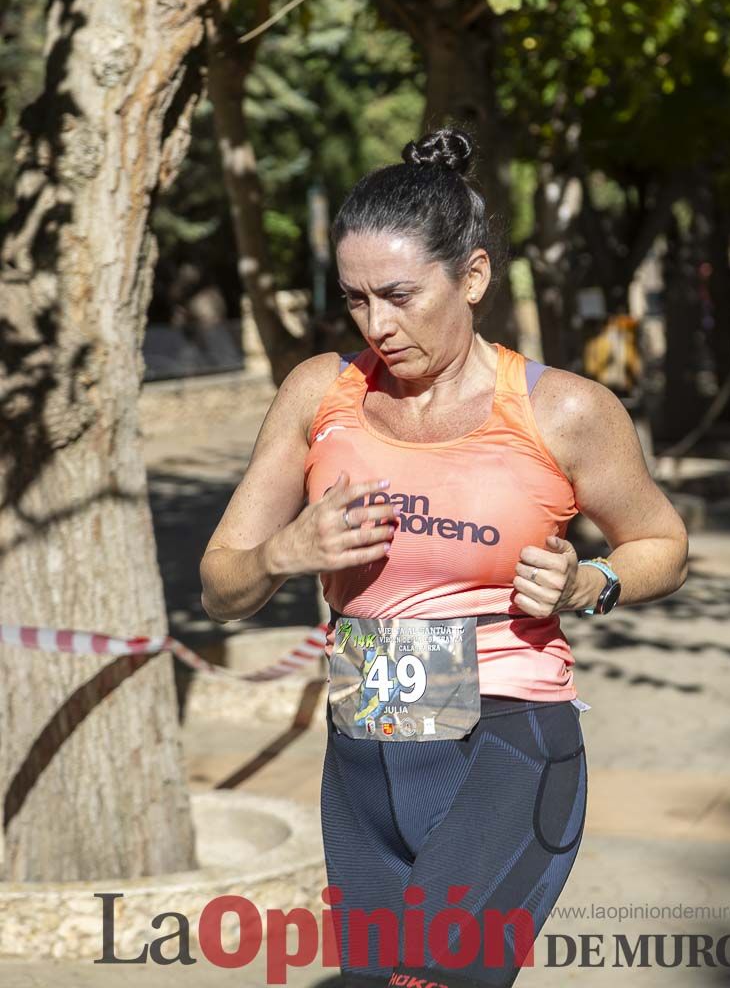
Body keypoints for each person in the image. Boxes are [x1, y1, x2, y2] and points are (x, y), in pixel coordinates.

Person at [199, 128, 689, 988]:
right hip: (366, 738)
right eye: (354, 300)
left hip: (507, 740)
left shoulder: (565, 411)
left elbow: (663, 544)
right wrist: (287, 548)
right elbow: (220, 586)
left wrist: (592, 580)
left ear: (472, 277)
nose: (377, 326)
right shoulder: (321, 393)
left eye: (398, 295)